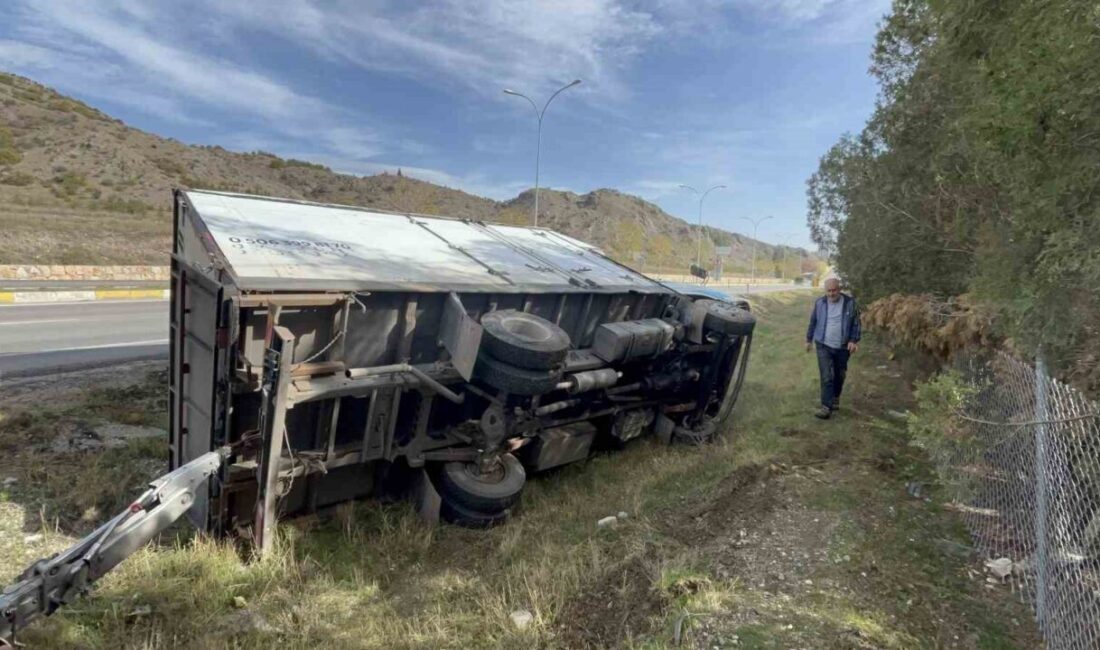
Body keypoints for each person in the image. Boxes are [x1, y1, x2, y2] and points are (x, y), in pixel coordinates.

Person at [805, 278, 861, 419]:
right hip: (823, 344)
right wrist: (808, 340)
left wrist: (853, 340)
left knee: (839, 374)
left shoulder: (850, 303)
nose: (831, 294)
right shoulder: (820, 303)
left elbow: (856, 323)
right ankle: (826, 407)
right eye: (828, 291)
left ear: (839, 289)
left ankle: (835, 397)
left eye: (834, 290)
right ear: (825, 291)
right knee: (826, 376)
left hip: (842, 347)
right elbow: (813, 322)